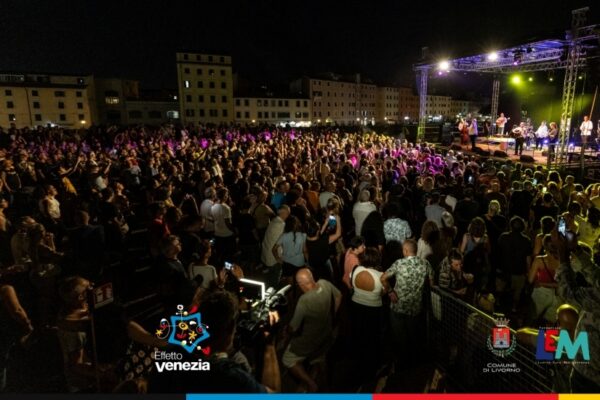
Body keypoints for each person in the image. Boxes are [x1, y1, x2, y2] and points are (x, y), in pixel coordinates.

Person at [149, 290, 281, 393]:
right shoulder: (231, 376)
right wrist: (269, 344)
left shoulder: (169, 354)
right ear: (230, 328)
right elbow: (273, 393)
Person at [552, 229, 600, 392]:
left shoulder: (561, 345)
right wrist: (576, 250)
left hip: (590, 376)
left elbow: (569, 293)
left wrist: (563, 254)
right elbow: (597, 276)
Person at [283, 268, 341, 392]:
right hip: (326, 333)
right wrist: (333, 316)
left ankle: (311, 384)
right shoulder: (325, 283)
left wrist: (286, 330)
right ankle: (324, 380)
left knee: (287, 359)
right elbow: (339, 296)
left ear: (301, 284)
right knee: (319, 356)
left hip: (310, 340)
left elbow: (294, 327)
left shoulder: (304, 300)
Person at [381, 239, 434, 363]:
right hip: (415, 308)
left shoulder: (399, 263)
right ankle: (413, 362)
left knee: (399, 337)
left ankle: (402, 362)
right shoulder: (425, 263)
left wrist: (390, 292)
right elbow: (432, 283)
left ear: (405, 251)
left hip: (398, 306)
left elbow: (383, 278)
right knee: (413, 336)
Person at [497, 216, 532, 312]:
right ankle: (514, 308)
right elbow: (528, 258)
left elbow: (498, 253)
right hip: (519, 272)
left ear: (511, 225)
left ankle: (498, 304)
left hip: (504, 270)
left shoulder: (503, 237)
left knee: (500, 290)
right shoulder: (527, 240)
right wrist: (528, 271)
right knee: (517, 293)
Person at [528, 235, 560, 323]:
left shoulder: (539, 260)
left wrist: (541, 283)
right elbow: (562, 283)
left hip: (541, 293)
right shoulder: (563, 261)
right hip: (557, 296)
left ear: (544, 245)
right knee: (549, 323)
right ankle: (544, 333)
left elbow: (530, 280)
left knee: (532, 318)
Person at [261, 205, 290, 289]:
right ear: (283, 213)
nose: (288, 215)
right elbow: (281, 244)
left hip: (266, 254)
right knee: (274, 281)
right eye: (287, 213)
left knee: (268, 279)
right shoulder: (281, 225)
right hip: (274, 258)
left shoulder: (273, 221)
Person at [272, 215, 307, 280]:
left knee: (289, 282)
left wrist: (278, 259)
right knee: (300, 281)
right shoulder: (303, 235)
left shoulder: (284, 236)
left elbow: (274, 249)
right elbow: (305, 250)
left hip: (287, 263)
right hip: (299, 262)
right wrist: (308, 261)